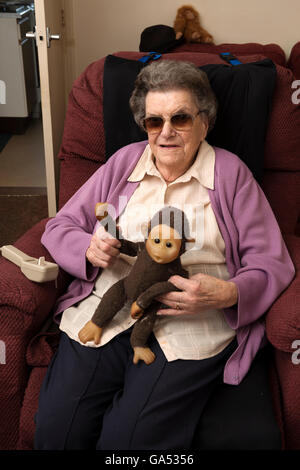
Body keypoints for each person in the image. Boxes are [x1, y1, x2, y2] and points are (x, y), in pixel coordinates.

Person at [34, 60, 295, 450]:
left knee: (130, 442)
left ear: (205, 121)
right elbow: (60, 226)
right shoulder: (125, 164)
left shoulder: (231, 174)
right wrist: (87, 247)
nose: (166, 132)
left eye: (181, 119)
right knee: (57, 434)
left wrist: (229, 293)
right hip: (109, 311)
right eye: (154, 122)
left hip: (191, 326)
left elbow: (271, 262)